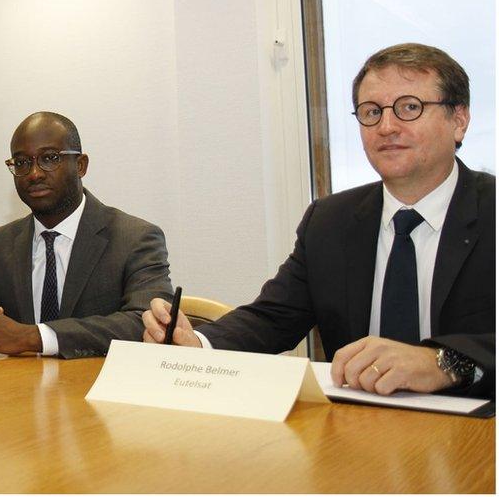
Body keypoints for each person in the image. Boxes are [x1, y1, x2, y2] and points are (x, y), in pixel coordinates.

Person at [144, 43, 494, 398]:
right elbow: (272, 319)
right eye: (371, 112)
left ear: (459, 120)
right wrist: (198, 345)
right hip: (356, 427)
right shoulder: (330, 220)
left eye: (409, 108)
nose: (386, 126)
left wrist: (444, 363)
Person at [0, 111, 174, 359]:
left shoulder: (135, 238)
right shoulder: (2, 244)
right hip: (14, 391)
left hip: (94, 388)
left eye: (49, 158)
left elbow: (147, 322)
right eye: (22, 162)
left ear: (81, 165)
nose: (34, 173)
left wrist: (33, 337)